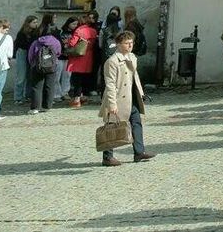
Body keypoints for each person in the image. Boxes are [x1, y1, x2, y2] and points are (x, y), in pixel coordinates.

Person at [99, 31, 155, 167]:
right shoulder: (112, 61)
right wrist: (112, 104)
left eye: (131, 42)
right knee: (112, 126)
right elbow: (110, 84)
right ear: (118, 44)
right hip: (118, 98)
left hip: (131, 97)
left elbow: (135, 78)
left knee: (136, 123)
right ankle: (107, 157)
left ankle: (139, 152)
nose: (130, 45)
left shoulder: (132, 57)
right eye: (126, 43)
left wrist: (141, 93)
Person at [65, 14, 100, 109]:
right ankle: (84, 97)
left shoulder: (79, 30)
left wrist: (67, 42)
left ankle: (77, 100)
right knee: (85, 78)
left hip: (79, 57)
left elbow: (72, 43)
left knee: (77, 79)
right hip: (88, 56)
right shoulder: (93, 31)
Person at [27, 27, 62, 115]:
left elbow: (31, 54)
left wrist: (32, 64)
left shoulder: (36, 42)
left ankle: (35, 108)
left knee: (36, 87)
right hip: (52, 66)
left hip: (37, 66)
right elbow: (58, 53)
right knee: (50, 86)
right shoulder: (56, 42)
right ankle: (47, 106)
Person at [13, 15, 40, 104]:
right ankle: (18, 97)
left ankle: (28, 95)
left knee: (30, 76)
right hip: (23, 53)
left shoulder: (36, 32)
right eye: (34, 22)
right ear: (28, 23)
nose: (36, 24)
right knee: (21, 76)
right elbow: (21, 44)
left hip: (32, 54)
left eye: (36, 22)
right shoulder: (22, 33)